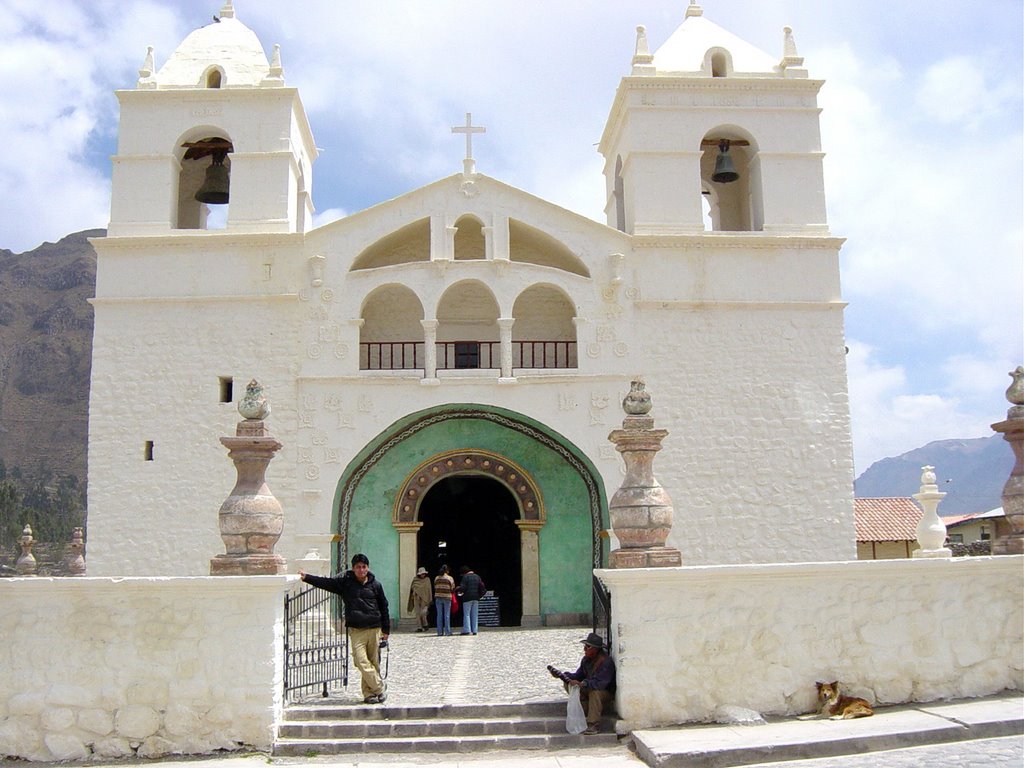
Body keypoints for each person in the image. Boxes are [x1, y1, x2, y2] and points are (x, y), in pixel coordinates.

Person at [299, 554, 390, 704]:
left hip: (374, 628)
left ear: (368, 568)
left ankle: (369, 694)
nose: (361, 570)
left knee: (373, 662)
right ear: (353, 569)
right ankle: (379, 687)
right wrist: (307, 577)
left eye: (364, 567)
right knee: (360, 661)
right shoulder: (346, 584)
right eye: (358, 567)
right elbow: (326, 583)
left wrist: (386, 630)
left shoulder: (376, 585)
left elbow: (384, 606)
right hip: (356, 630)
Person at [547, 632, 616, 734]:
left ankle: (593, 724)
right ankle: (585, 708)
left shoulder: (606, 662)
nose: (584, 649)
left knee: (595, 693)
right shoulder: (586, 660)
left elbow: (601, 684)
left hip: (603, 692)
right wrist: (563, 676)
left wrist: (583, 684)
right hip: (588, 687)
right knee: (569, 684)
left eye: (587, 647)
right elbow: (578, 675)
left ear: (595, 649)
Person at [457, 565, 486, 635]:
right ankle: (475, 630)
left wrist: (458, 589)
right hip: (476, 598)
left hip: (467, 598)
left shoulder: (465, 577)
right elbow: (482, 587)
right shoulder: (477, 577)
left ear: (464, 573)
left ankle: (467, 630)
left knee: (467, 614)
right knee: (475, 614)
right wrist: (480, 595)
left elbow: (463, 588)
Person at [407, 566, 433, 632]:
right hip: (416, 597)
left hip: (425, 598)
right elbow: (412, 588)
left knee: (423, 612)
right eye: (422, 574)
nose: (423, 575)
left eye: (424, 573)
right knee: (417, 613)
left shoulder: (427, 580)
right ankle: (419, 627)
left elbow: (429, 589)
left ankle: (425, 624)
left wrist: (430, 598)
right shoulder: (415, 580)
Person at [433, 564, 455, 636]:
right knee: (447, 615)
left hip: (438, 597)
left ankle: (439, 632)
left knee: (439, 614)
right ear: (447, 571)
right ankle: (447, 632)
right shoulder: (450, 578)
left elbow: (435, 586)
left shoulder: (437, 578)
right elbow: (452, 588)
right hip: (447, 598)